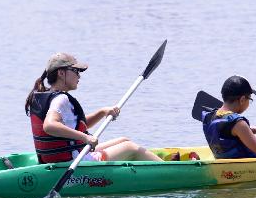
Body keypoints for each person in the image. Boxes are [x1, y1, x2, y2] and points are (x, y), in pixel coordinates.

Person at [25, 52, 164, 164]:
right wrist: (85, 137)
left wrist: (102, 112)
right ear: (61, 73)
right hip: (74, 161)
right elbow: (49, 126)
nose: (79, 76)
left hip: (59, 158)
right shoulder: (61, 99)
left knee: (124, 140)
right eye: (75, 71)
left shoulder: (44, 96)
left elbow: (74, 125)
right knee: (131, 148)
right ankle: (168, 171)